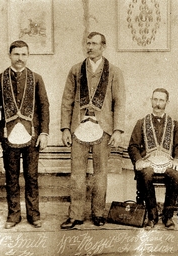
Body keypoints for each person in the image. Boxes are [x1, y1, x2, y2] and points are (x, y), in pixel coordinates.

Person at [60, 32, 126, 229]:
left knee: (101, 174)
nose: (90, 47)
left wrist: (118, 130)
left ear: (103, 46)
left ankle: (98, 213)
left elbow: (119, 103)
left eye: (94, 43)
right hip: (78, 128)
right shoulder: (75, 70)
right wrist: (65, 128)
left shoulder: (114, 72)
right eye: (87, 43)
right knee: (77, 175)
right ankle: (75, 215)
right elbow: (66, 101)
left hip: (103, 128)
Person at [0, 40, 50, 229]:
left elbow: (44, 107)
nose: (20, 58)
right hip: (7, 136)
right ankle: (13, 215)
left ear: (28, 56)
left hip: (32, 136)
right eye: (16, 54)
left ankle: (34, 215)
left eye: (23, 54)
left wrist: (44, 133)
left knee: (32, 177)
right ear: (9, 55)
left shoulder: (36, 78)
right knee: (11, 177)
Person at [128, 88, 178, 229]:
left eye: (161, 100)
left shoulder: (174, 124)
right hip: (148, 161)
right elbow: (133, 146)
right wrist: (138, 160)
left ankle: (168, 216)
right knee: (145, 174)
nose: (157, 103)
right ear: (151, 100)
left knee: (175, 175)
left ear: (167, 102)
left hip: (167, 161)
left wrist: (177, 160)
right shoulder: (141, 122)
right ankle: (152, 216)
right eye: (155, 99)